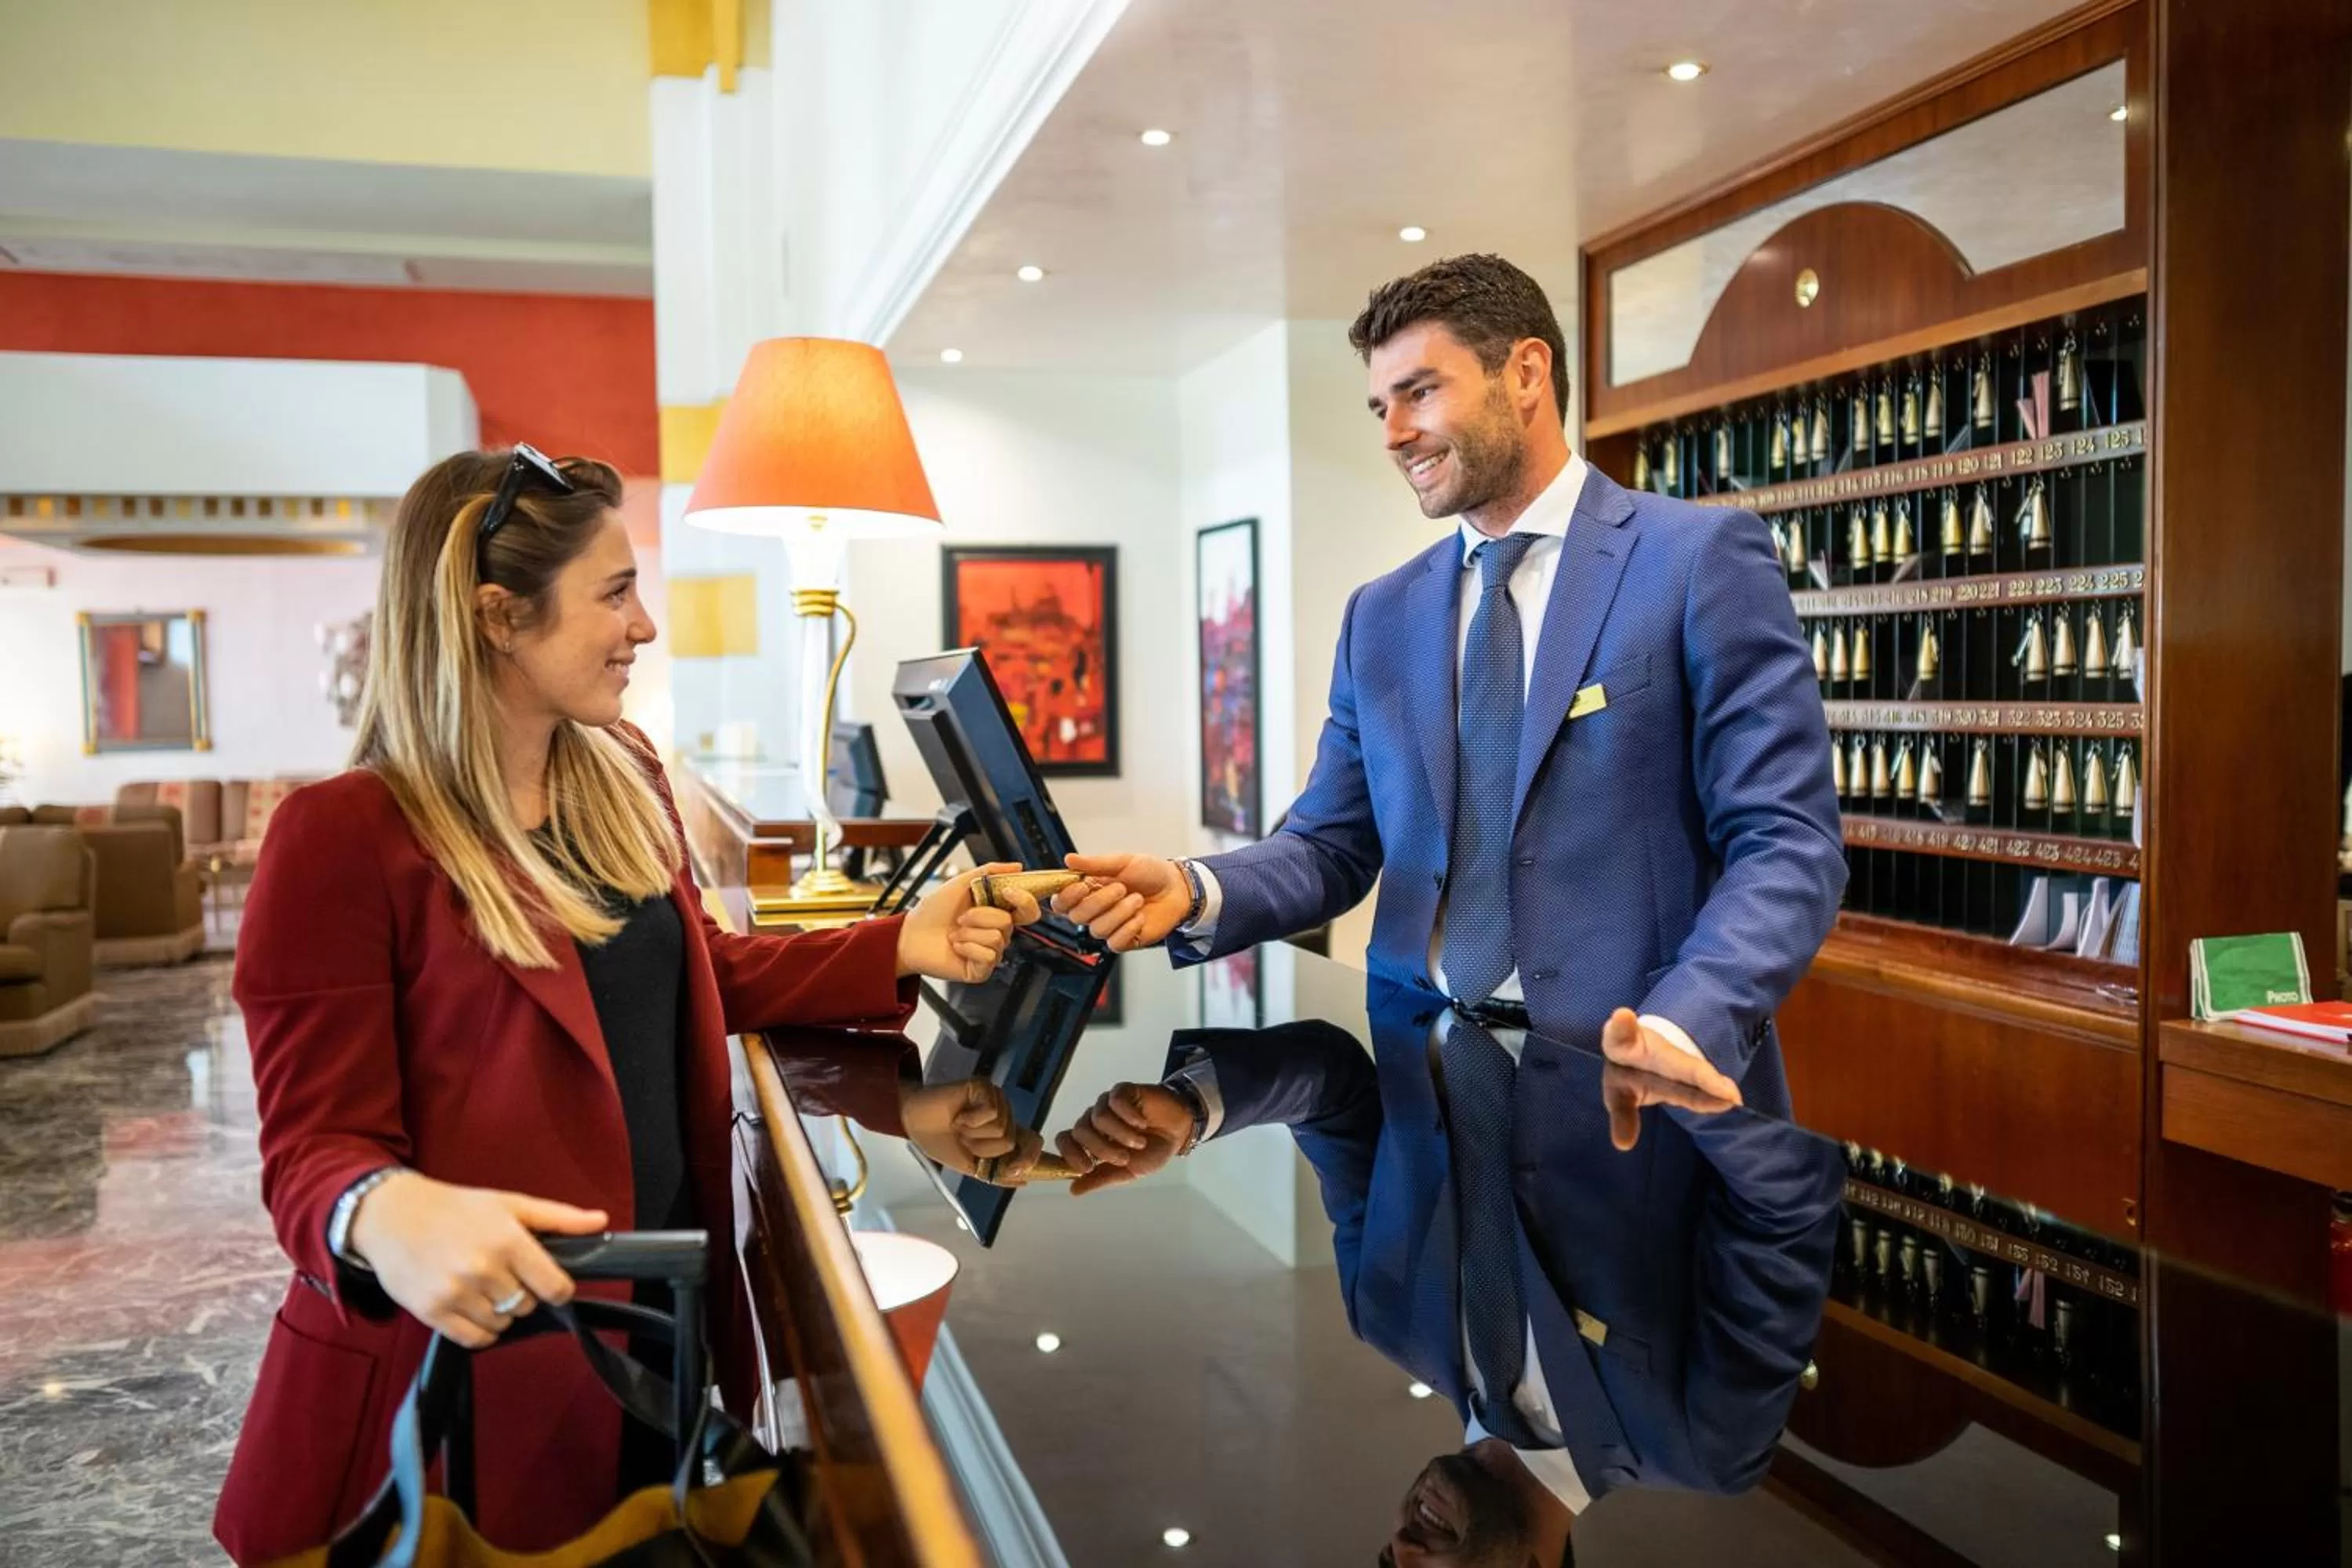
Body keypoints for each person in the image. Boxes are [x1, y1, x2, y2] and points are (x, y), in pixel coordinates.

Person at [213, 447, 1043, 1564]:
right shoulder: (341, 840)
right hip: (468, 1389)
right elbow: (314, 1151)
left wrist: (904, 939)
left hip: (654, 1345)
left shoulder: (624, 772)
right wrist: (385, 1209)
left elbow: (698, 973)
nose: (642, 626)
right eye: (614, 593)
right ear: (500, 617)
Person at [1054, 254, 1843, 1113]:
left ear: (1527, 372)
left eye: (1421, 391)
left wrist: (1684, 1024)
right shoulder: (1380, 616)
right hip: (1417, 1080)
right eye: (1380, 405)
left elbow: (1786, 839)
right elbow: (1330, 843)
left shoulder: (1697, 561)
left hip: (1628, 1085)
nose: (1394, 432)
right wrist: (1197, 888)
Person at [1054, 982, 1844, 1565]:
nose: (1401, 1546)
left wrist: (1193, 1106)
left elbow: (1334, 1089)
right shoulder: (1703, 1441)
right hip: (1647, 968)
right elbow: (1790, 1207)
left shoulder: (1389, 1313)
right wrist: (1678, 1076)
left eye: (1385, 1566)